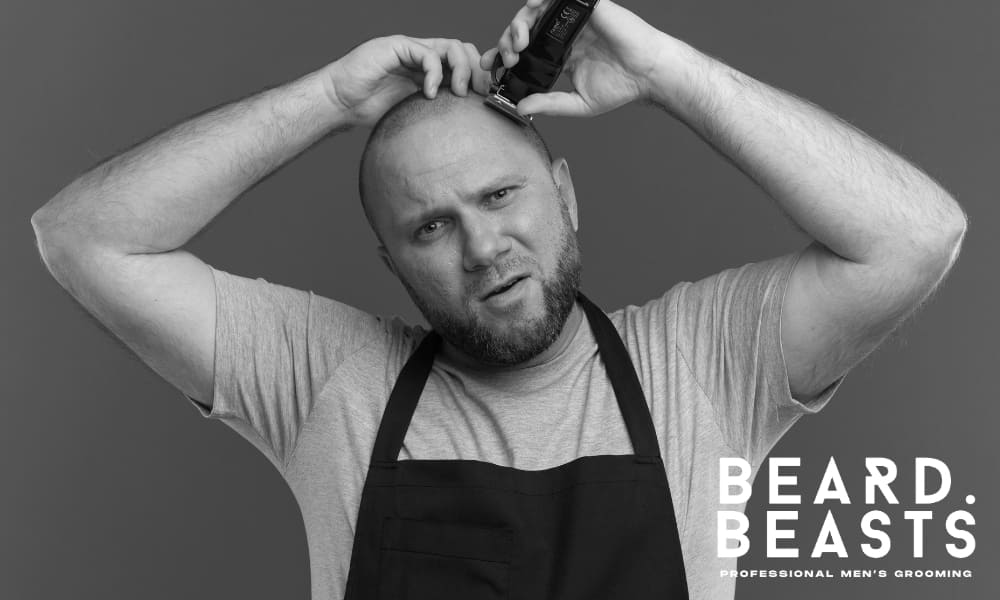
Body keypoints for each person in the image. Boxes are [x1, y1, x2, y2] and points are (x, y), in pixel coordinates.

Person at [30, 1, 965, 598]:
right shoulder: (330, 381)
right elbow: (83, 238)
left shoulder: (703, 363)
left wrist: (666, 72)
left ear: (564, 193)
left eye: (499, 195)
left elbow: (916, 236)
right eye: (430, 227)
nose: (482, 248)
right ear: (392, 262)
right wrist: (328, 99)